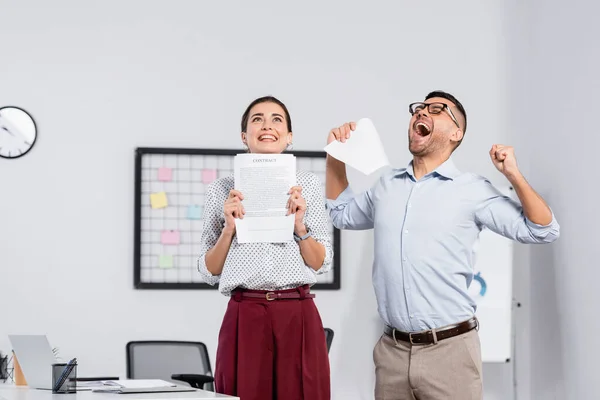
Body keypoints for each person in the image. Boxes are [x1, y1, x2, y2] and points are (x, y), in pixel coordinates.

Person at [325, 90, 560, 400]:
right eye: (419, 108)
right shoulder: (386, 185)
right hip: (391, 354)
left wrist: (513, 174)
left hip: (450, 354)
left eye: (436, 110)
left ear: (456, 133)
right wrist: (335, 154)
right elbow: (341, 214)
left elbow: (543, 230)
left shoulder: (472, 190)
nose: (422, 112)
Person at [197, 96, 333, 400]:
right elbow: (208, 269)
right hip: (245, 311)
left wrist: (300, 227)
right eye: (257, 119)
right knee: (241, 393)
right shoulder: (221, 190)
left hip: (296, 311)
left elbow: (321, 261)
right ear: (244, 136)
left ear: (289, 137)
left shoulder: (307, 186)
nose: (267, 125)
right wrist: (228, 229)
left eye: (276, 119)